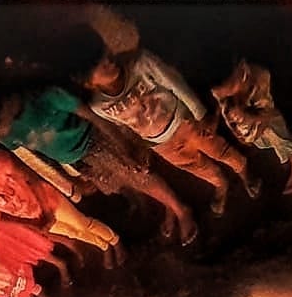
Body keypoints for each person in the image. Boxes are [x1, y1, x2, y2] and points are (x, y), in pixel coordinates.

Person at [77, 37, 260, 216]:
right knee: (196, 166)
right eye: (102, 65)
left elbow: (176, 84)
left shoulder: (140, 63)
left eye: (108, 54)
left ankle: (244, 170)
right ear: (89, 83)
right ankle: (221, 183)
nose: (110, 61)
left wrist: (200, 114)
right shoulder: (99, 106)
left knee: (220, 150)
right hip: (162, 144)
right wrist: (145, 146)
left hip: (184, 123)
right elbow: (126, 125)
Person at [0, 88, 197, 244]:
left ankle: (181, 210)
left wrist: (123, 147)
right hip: (78, 159)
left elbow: (93, 115)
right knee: (125, 183)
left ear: (2, 104)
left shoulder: (42, 98)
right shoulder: (5, 134)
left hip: (94, 138)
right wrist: (71, 178)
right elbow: (40, 157)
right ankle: (168, 205)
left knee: (140, 176)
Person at [0, 152, 124, 268]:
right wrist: (32, 224)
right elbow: (2, 216)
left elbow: (32, 179)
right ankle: (103, 245)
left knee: (82, 223)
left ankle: (115, 241)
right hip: (34, 216)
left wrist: (47, 212)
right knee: (73, 233)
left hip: (47, 199)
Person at [212, 60, 292, 194]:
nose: (224, 94)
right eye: (221, 92)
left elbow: (270, 115)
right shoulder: (220, 89)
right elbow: (220, 101)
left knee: (280, 138)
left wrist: (246, 115)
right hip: (250, 128)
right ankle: (285, 149)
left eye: (230, 88)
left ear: (241, 72)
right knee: (266, 142)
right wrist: (236, 130)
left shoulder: (259, 79)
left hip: (265, 122)